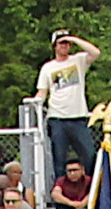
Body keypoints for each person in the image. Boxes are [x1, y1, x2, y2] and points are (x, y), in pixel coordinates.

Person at [37, 33, 101, 184]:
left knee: (89, 156)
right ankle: (61, 192)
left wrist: (74, 39)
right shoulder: (48, 68)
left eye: (67, 43)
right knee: (59, 159)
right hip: (57, 119)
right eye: (61, 43)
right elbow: (42, 92)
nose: (65, 46)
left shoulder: (78, 60)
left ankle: (91, 190)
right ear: (54, 46)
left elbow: (95, 53)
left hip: (78, 117)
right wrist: (34, 104)